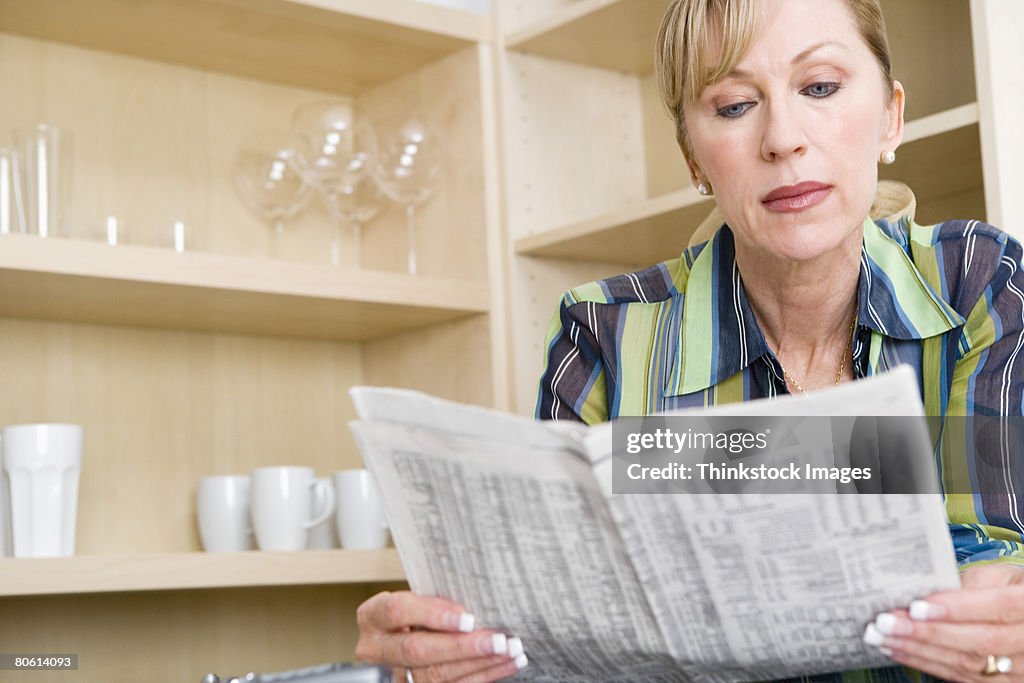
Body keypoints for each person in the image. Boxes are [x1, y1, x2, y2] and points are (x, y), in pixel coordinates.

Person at [355, 1, 1024, 681]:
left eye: (820, 87)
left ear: (891, 116)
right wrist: (442, 655)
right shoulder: (604, 333)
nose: (782, 138)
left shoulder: (978, 281)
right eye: (734, 105)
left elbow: (990, 572)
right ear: (693, 158)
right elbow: (555, 631)